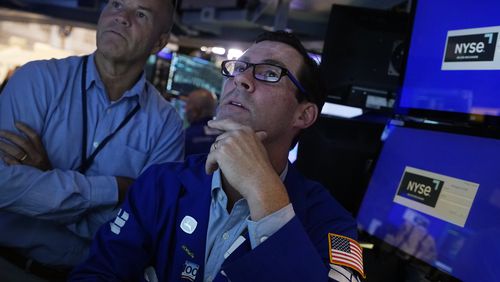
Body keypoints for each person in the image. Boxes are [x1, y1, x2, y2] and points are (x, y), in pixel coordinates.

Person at [70, 31, 364, 282]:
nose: (242, 80)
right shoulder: (162, 184)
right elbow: (97, 273)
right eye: (240, 67)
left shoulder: (332, 223)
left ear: (304, 114)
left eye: (270, 73)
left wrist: (263, 189)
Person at [0, 0, 183, 280]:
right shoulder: (37, 79)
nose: (123, 17)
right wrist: (113, 190)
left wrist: (49, 177)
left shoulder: (166, 125)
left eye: (141, 14)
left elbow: (144, 228)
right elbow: (4, 186)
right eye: (117, 4)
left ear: (159, 42)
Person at [184, 88, 218, 155]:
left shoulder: (184, 137)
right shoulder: (225, 136)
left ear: (195, 111)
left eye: (187, 105)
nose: (186, 109)